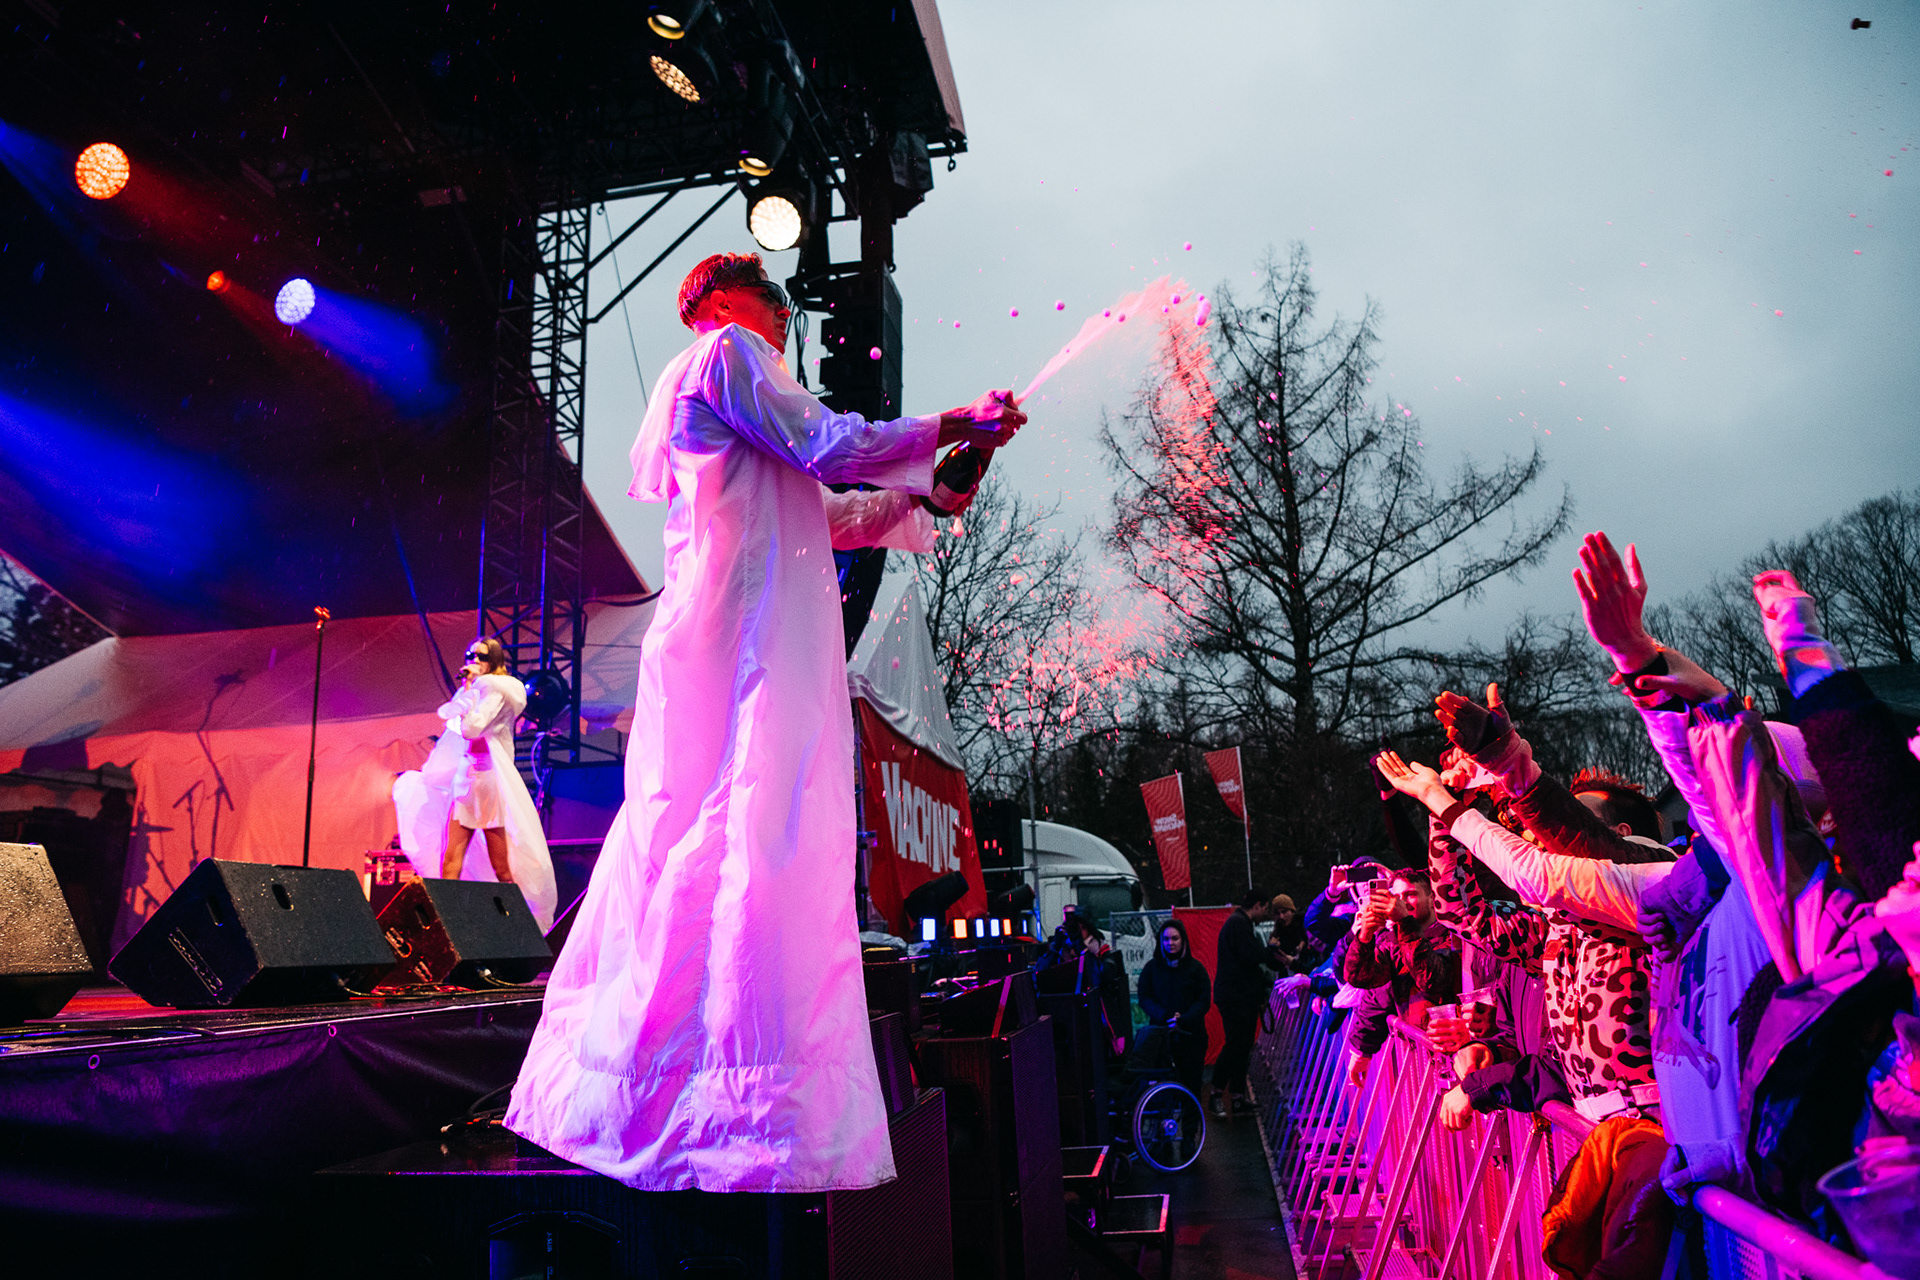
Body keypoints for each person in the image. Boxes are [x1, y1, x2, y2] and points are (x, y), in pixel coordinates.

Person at [504, 252, 1024, 1193]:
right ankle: (735, 1110)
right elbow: (828, 443)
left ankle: (684, 1099)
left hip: (731, 639)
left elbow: (832, 510)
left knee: (714, 841)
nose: (785, 316)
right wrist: (951, 421)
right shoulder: (726, 354)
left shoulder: (739, 399)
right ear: (719, 303)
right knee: (752, 834)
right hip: (742, 643)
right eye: (773, 298)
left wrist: (936, 484)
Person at [390, 638, 558, 931]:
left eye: (480, 656)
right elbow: (451, 723)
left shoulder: (497, 690)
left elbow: (471, 728)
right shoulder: (474, 691)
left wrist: (466, 702)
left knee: (501, 867)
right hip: (465, 779)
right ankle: (446, 929)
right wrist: (466, 694)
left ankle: (518, 928)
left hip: (488, 781)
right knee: (450, 860)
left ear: (493, 659)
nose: (473, 660)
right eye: (470, 655)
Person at [1340, 866, 1461, 1088]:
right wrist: (1365, 936)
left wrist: (1405, 923)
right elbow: (1362, 980)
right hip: (1418, 1064)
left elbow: (1431, 980)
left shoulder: (1452, 935)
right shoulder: (1392, 940)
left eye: (1410, 894)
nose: (1402, 902)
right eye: (1395, 897)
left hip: (1454, 1061)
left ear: (1431, 897)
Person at [1211, 891, 1279, 1117]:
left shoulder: (1237, 923)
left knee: (1241, 1046)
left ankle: (1236, 1096)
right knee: (1235, 1045)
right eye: (1266, 909)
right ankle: (1217, 1094)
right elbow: (1250, 957)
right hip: (1236, 997)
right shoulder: (1239, 925)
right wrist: (1270, 951)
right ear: (1258, 905)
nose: (1266, 914)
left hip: (1238, 996)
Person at [1136, 917, 1212, 1099]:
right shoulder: (1151, 969)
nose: (1170, 943)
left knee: (1191, 1086)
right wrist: (1165, 1015)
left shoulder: (1196, 969)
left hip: (1191, 1036)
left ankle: (1192, 1127)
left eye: (1175, 939)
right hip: (1161, 1037)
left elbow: (1203, 1001)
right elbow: (1144, 997)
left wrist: (1183, 1019)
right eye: (1166, 939)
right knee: (1162, 1087)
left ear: (1183, 940)